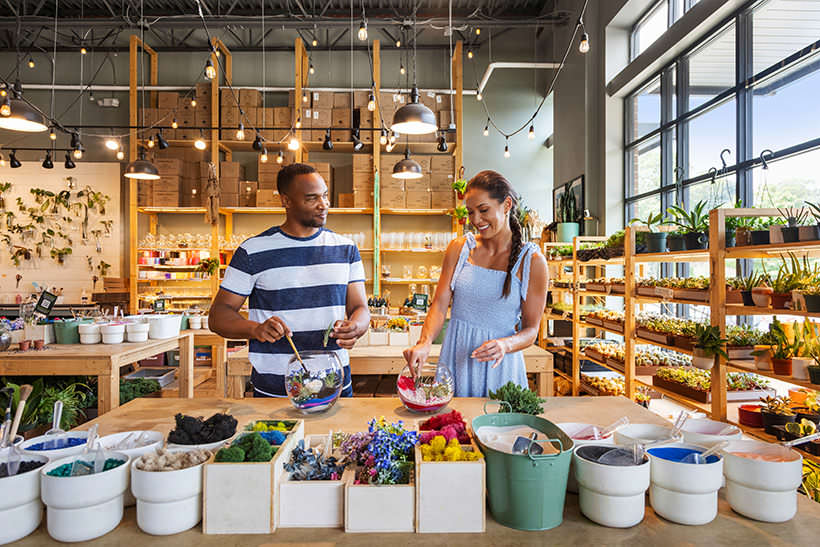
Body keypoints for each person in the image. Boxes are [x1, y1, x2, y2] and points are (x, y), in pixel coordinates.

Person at [209, 163, 370, 397]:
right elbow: (217, 317)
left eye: (325, 196)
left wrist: (356, 327)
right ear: (286, 201)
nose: (323, 204)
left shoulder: (345, 249)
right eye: (311, 198)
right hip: (275, 391)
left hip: (335, 385)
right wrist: (256, 329)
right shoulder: (252, 251)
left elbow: (360, 308)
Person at [403, 170, 548, 396]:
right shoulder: (459, 249)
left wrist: (505, 345)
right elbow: (439, 305)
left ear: (506, 204)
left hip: (499, 369)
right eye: (470, 212)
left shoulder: (532, 261)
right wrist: (425, 342)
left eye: (483, 210)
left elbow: (531, 330)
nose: (476, 220)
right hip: (455, 361)